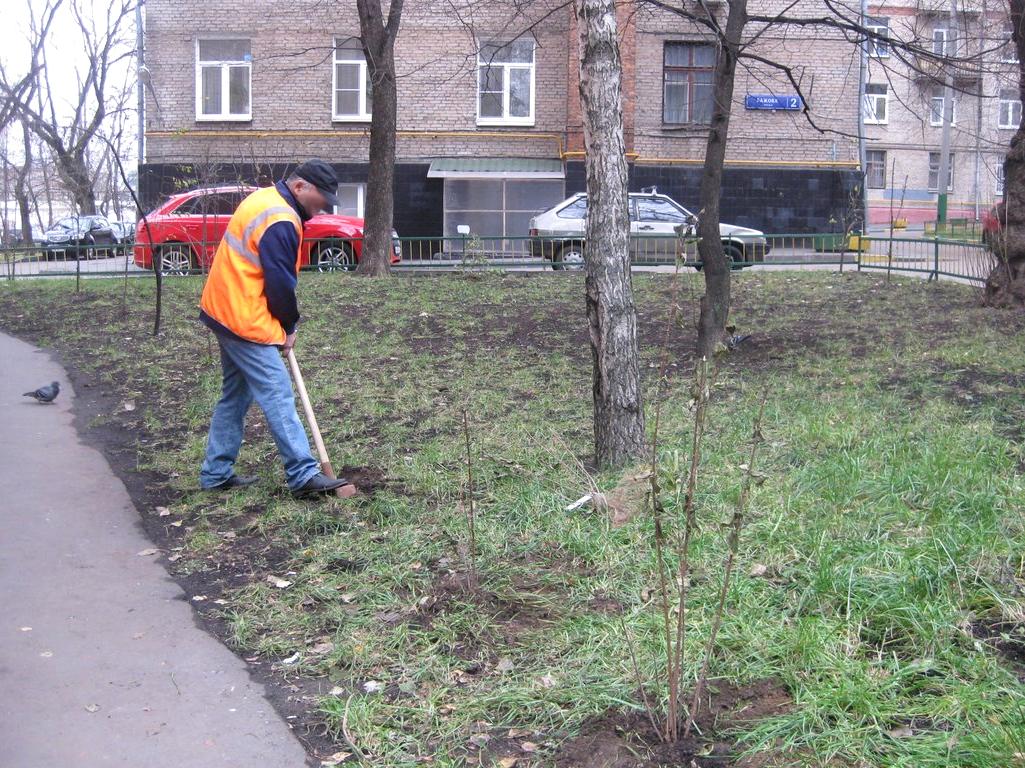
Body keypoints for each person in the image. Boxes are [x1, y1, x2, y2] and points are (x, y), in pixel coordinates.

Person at [198, 159, 349, 498]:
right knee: (277, 392)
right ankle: (303, 475)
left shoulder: (264, 199)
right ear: (300, 187)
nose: (322, 208)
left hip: (223, 308)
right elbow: (280, 284)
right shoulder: (280, 219)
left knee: (235, 394)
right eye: (320, 200)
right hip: (242, 317)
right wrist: (289, 325)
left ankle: (215, 472)